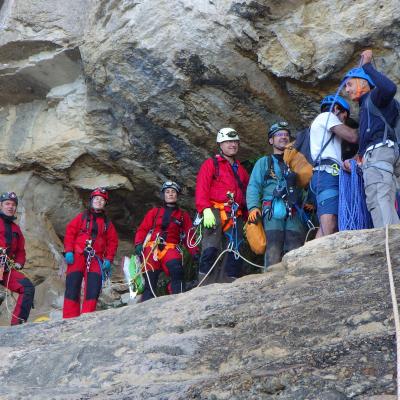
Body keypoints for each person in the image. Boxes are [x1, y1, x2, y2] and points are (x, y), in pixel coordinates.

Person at [343, 49, 400, 228]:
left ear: (363, 82)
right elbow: (368, 137)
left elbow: (390, 88)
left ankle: (387, 240)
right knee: (384, 197)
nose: (346, 89)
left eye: (350, 84)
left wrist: (367, 66)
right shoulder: (368, 108)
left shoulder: (374, 98)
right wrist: (357, 158)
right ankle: (392, 238)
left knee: (377, 196)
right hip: (380, 155)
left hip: (379, 155)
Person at [246, 122, 306, 269]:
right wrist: (253, 207)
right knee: (273, 246)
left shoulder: (297, 162)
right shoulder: (263, 163)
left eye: (286, 134)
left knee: (295, 246)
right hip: (272, 210)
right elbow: (254, 185)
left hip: (294, 209)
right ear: (271, 140)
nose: (283, 137)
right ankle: (271, 282)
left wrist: (309, 200)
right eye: (279, 134)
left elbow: (308, 181)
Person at [195, 127, 249, 283]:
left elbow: (245, 194)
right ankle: (206, 283)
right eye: (228, 142)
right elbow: (202, 187)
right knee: (211, 249)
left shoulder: (241, 170)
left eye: (234, 141)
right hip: (215, 212)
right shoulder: (211, 164)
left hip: (235, 214)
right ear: (220, 144)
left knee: (235, 250)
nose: (232, 144)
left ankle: (228, 283)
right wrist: (205, 209)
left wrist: (247, 216)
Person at [134, 181, 197, 301]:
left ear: (177, 195)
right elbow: (142, 229)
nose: (170, 194)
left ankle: (176, 299)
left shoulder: (183, 216)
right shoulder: (154, 212)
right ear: (164, 195)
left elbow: (189, 236)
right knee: (150, 281)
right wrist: (138, 244)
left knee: (177, 271)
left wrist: (195, 252)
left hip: (170, 248)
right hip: (152, 248)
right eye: (167, 192)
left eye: (173, 192)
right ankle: (146, 307)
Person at [63, 187, 118, 318]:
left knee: (93, 289)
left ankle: (86, 318)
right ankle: (69, 319)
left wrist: (108, 259)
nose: (99, 201)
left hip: (95, 258)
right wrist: (69, 251)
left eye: (102, 200)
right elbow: (70, 233)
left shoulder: (107, 224)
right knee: (72, 287)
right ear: (91, 200)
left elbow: (113, 242)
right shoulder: (82, 217)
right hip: (78, 255)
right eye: (96, 199)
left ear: (105, 204)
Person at [309, 94, 358, 236]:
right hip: (327, 175)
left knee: (332, 222)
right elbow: (353, 136)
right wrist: (370, 129)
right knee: (329, 221)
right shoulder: (327, 116)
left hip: (329, 173)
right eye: (345, 117)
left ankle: (313, 255)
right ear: (337, 109)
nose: (344, 122)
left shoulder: (325, 128)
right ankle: (313, 257)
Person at [0, 192, 34, 325]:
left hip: (6, 269)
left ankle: (17, 324)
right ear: (1, 205)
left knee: (28, 288)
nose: (10, 207)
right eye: (7, 204)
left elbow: (20, 251)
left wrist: (19, 263)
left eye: (13, 205)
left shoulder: (16, 229)